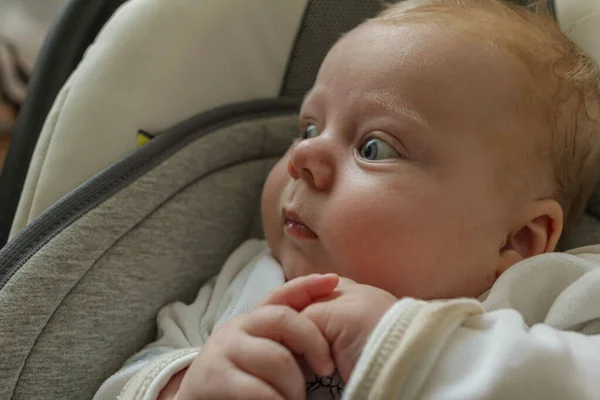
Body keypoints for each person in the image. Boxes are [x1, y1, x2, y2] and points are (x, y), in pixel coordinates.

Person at [95, 0, 600, 398]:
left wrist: (405, 342)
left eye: (373, 147)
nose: (303, 155)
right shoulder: (251, 279)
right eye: (309, 127)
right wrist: (185, 385)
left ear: (517, 239)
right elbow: (129, 378)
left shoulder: (554, 297)